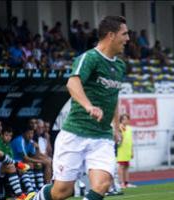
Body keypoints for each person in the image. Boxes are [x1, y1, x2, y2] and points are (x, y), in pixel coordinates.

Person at [28, 15, 129, 200]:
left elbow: (113, 97)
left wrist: (115, 126)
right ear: (111, 35)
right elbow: (72, 84)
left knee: (102, 184)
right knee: (62, 192)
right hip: (76, 133)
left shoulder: (120, 66)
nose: (128, 39)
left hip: (102, 137)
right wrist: (89, 106)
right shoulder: (89, 58)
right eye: (124, 34)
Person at [117, 114, 136, 189]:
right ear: (121, 120)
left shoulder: (129, 128)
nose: (126, 121)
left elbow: (130, 141)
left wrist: (132, 151)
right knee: (121, 167)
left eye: (127, 119)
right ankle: (121, 183)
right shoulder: (119, 127)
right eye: (124, 119)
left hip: (127, 150)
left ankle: (126, 183)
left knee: (127, 166)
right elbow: (118, 138)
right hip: (121, 150)